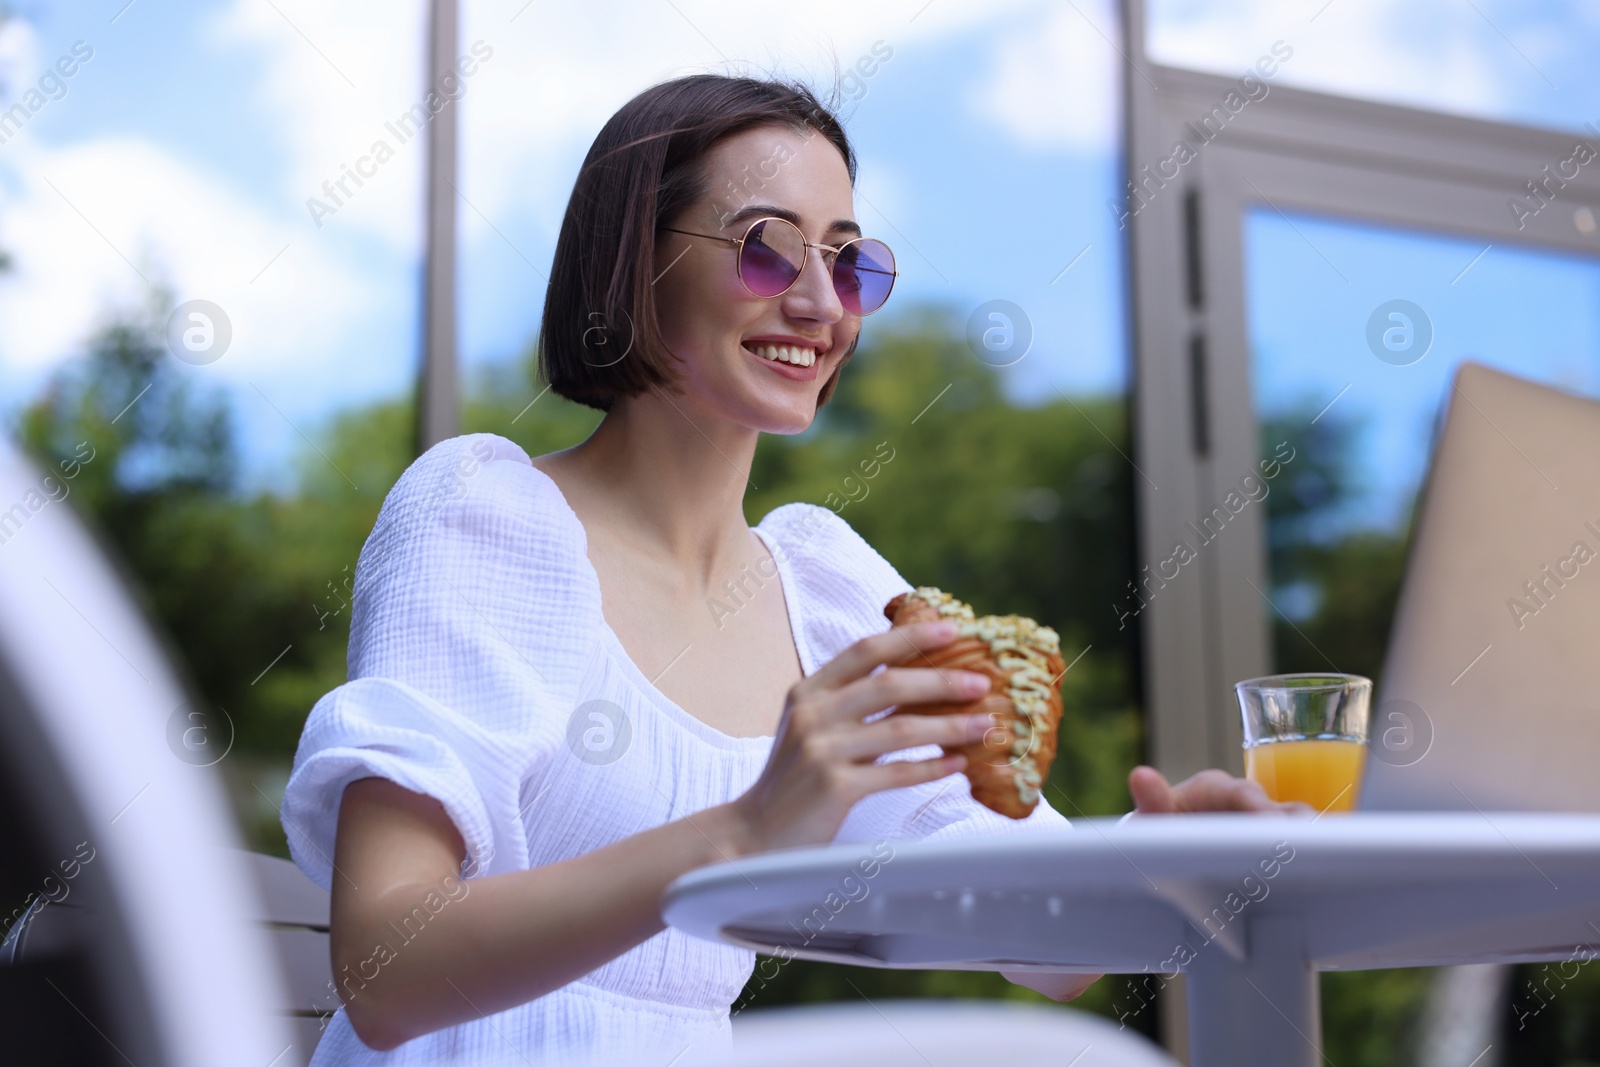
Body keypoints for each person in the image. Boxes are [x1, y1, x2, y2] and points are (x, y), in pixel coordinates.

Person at [281, 72, 1299, 1067]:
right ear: (633, 260)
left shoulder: (824, 587)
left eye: (850, 262)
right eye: (766, 248)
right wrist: (750, 825)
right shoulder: (483, 515)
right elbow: (385, 969)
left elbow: (1045, 946)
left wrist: (1160, 859)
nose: (820, 303)